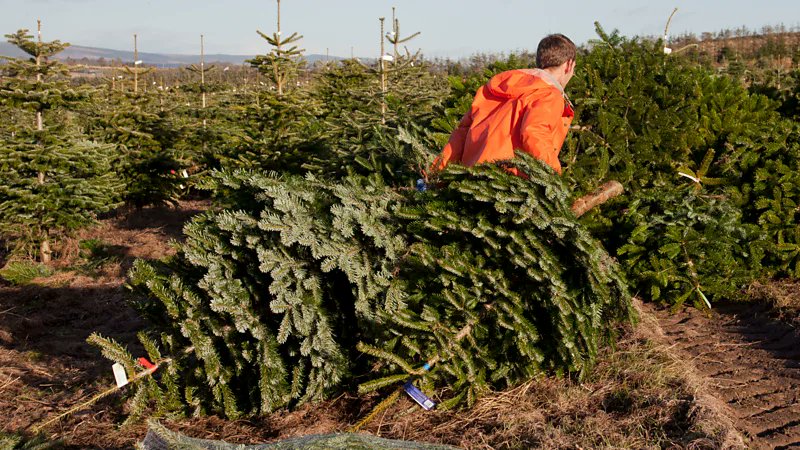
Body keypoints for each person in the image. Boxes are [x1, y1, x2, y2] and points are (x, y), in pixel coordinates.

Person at [432, 34, 577, 176]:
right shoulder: (549, 94)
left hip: (473, 178)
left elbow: (461, 135)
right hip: (509, 182)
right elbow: (534, 133)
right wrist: (554, 179)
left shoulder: (492, 89)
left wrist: (434, 174)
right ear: (569, 65)